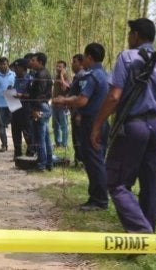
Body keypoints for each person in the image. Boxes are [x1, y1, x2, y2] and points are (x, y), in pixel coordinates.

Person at [91, 18, 156, 233]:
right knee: (151, 185)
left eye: (130, 35)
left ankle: (140, 231)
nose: (128, 39)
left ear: (135, 35)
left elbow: (114, 96)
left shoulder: (126, 57)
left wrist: (98, 125)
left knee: (116, 182)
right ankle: (146, 237)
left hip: (134, 127)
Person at [54, 44, 110, 211]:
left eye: (84, 57)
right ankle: (96, 197)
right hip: (101, 120)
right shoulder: (104, 75)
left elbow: (82, 101)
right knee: (95, 159)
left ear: (90, 58)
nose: (83, 60)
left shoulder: (92, 77)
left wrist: (63, 100)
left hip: (92, 121)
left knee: (94, 160)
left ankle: (99, 200)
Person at [28, 52, 54, 171]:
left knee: (40, 137)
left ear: (40, 62)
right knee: (45, 136)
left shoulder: (41, 75)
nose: (31, 62)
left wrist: (35, 110)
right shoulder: (41, 73)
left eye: (33, 60)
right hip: (42, 105)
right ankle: (49, 163)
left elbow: (39, 94)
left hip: (40, 107)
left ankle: (42, 164)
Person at [10, 58, 34, 159]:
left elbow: (32, 95)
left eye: (17, 68)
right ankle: (17, 153)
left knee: (27, 131)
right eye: (14, 68)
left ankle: (30, 152)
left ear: (24, 68)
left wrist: (22, 95)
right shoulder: (16, 79)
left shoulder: (30, 79)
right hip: (15, 107)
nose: (15, 70)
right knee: (15, 131)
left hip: (25, 108)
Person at [0, 57, 16, 152]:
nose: (3, 66)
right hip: (0, 103)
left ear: (8, 64)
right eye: (1, 64)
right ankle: (4, 145)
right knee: (1, 125)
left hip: (12, 100)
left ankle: (17, 146)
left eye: (5, 64)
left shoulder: (14, 75)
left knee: (14, 124)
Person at [68, 54, 86, 167]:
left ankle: (81, 161)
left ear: (81, 63)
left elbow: (82, 96)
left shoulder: (83, 76)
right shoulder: (77, 77)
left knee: (80, 137)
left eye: (74, 62)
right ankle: (78, 159)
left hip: (79, 112)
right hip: (74, 111)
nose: (72, 64)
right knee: (76, 136)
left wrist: (79, 113)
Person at [52, 60, 71, 148]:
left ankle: (64, 144)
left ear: (64, 68)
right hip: (54, 106)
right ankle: (58, 143)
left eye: (60, 67)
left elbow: (64, 89)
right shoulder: (56, 77)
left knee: (64, 126)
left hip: (63, 106)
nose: (58, 68)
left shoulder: (66, 77)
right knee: (56, 126)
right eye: (57, 66)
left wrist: (62, 76)